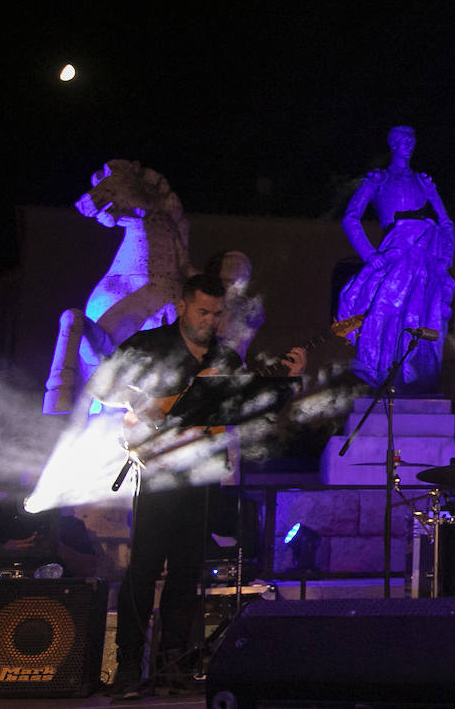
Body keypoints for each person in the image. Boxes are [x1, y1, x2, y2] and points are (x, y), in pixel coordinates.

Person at [88, 273, 305, 698]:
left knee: (188, 570)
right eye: (203, 311)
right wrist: (137, 399)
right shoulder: (148, 345)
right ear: (183, 306)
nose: (210, 320)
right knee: (144, 567)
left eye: (217, 313)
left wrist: (287, 382)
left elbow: (246, 408)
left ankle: (172, 661)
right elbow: (101, 385)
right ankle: (129, 663)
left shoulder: (225, 359)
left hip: (203, 472)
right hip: (157, 471)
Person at [337, 124, 455, 391]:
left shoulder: (423, 182)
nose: (408, 146)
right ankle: (389, 376)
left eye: (411, 141)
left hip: (426, 257)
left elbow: (446, 221)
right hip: (396, 253)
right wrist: (369, 254)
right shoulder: (378, 180)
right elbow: (350, 218)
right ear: (392, 144)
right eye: (402, 141)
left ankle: (419, 379)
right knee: (386, 313)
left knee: (425, 319)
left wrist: (444, 259)